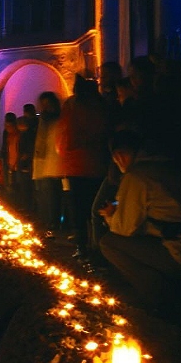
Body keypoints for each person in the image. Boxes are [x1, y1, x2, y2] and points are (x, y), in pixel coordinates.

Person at [97, 130, 181, 321]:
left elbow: (124, 228)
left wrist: (110, 215)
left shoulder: (137, 176)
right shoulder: (170, 165)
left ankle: (164, 301)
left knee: (109, 242)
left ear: (120, 155)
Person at [56, 75, 110, 258]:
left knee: (78, 208)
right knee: (96, 208)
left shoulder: (73, 107)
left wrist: (63, 152)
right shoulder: (102, 106)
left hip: (77, 165)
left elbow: (65, 134)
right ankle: (98, 246)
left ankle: (83, 246)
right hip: (98, 165)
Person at [31, 92, 63, 236]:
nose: (45, 108)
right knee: (43, 195)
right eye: (43, 105)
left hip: (55, 163)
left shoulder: (60, 120)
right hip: (42, 162)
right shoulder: (43, 121)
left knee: (53, 197)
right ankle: (45, 222)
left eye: (48, 105)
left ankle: (54, 224)